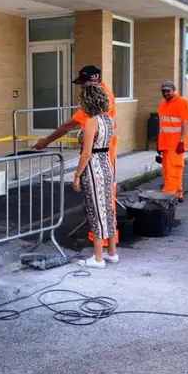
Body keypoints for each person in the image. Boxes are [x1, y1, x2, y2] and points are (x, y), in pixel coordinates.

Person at [33, 65, 119, 247]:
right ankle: (109, 245)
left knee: (98, 200)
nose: (80, 89)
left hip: (97, 154)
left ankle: (100, 246)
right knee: (105, 197)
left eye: (82, 84)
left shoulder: (94, 103)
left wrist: (46, 141)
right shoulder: (106, 96)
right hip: (106, 153)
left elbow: (70, 126)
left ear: (91, 82)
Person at [72, 82, 118, 269]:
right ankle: (112, 252)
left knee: (95, 211)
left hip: (93, 169)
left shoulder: (92, 122)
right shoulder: (107, 120)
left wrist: (77, 175)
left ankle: (98, 257)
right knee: (107, 209)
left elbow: (87, 153)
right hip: (107, 166)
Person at [157, 80, 188, 202]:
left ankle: (170, 194)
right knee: (167, 170)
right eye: (163, 91)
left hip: (176, 143)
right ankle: (175, 193)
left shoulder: (181, 102)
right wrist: (159, 143)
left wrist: (181, 141)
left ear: (174, 91)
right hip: (166, 143)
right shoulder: (163, 104)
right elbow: (163, 125)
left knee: (173, 169)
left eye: (168, 91)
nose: (165, 93)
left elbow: (185, 123)